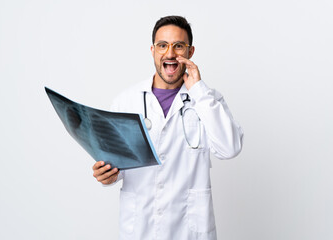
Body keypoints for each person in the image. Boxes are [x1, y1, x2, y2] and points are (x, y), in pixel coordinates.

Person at [92, 15, 243, 240]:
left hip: (189, 232)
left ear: (190, 52)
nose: (170, 54)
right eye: (163, 45)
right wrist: (107, 175)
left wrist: (199, 91)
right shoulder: (126, 102)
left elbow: (230, 148)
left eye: (178, 46)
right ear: (153, 50)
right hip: (139, 229)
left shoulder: (208, 100)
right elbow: (117, 164)